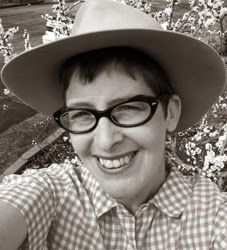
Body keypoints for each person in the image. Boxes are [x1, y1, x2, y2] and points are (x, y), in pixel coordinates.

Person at [0, 0, 226, 249]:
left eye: (128, 108)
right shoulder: (50, 194)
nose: (106, 140)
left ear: (170, 113)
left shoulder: (212, 218)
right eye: (82, 113)